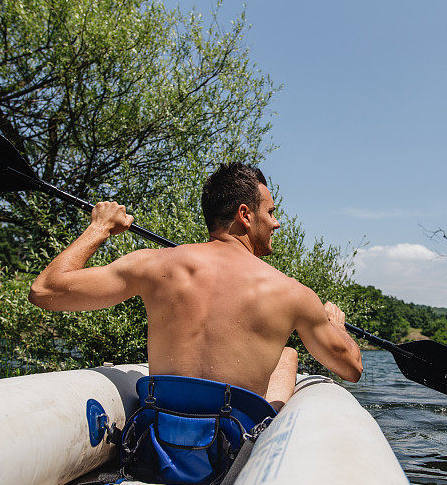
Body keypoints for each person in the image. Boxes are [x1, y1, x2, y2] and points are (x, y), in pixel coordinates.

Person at [28, 163, 362, 412]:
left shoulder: (153, 264)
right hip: (232, 452)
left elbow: (45, 291)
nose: (276, 223)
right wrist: (335, 325)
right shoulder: (291, 292)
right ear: (245, 215)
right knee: (287, 354)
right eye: (271, 212)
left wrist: (99, 228)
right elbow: (352, 368)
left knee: (285, 355)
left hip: (161, 441)